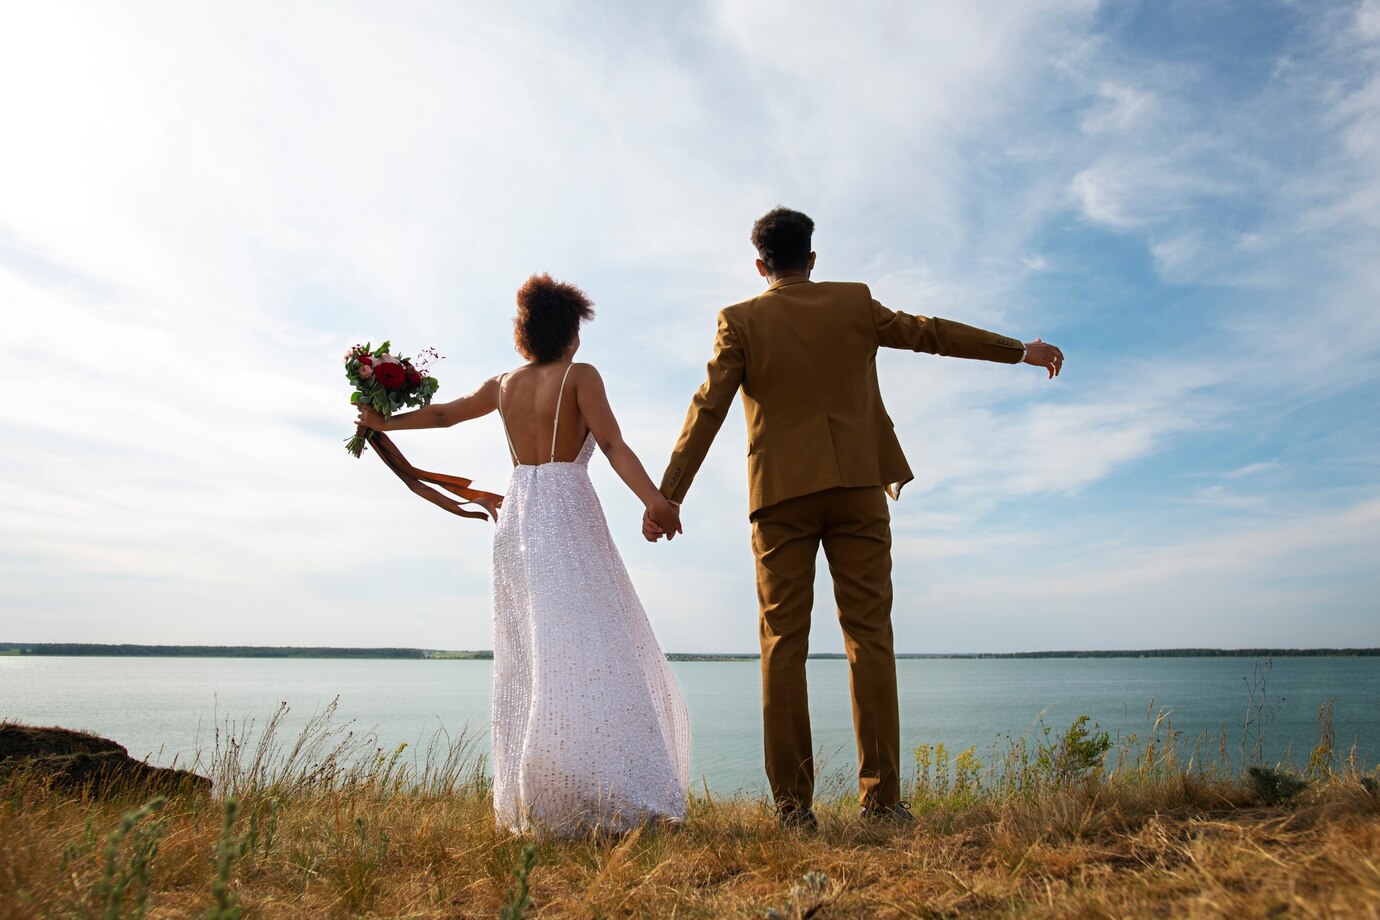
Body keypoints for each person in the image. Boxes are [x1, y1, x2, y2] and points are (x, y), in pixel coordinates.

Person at [646, 207, 1063, 828]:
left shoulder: (740, 320)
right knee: (870, 638)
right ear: (812, 260)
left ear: (760, 266)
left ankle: (793, 809)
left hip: (781, 496)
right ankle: (883, 802)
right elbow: (930, 332)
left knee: (783, 645)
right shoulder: (855, 303)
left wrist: (669, 493)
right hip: (858, 487)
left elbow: (708, 405)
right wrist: (1016, 350)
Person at [355, 273, 691, 835]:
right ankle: (603, 782)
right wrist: (656, 500)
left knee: (532, 650)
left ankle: (543, 792)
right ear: (571, 335)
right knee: (591, 642)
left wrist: (383, 421)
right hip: (568, 507)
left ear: (524, 334)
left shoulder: (504, 383)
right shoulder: (581, 375)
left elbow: (444, 414)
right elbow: (611, 445)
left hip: (521, 512)